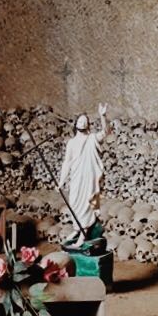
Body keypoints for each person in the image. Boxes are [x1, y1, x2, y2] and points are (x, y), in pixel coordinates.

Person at [58, 104, 109, 247]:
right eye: (80, 121)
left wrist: (102, 116)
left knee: (86, 203)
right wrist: (61, 181)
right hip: (76, 177)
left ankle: (83, 234)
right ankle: (78, 228)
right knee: (74, 203)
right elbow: (67, 163)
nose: (82, 123)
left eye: (85, 121)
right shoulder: (71, 143)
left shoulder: (92, 138)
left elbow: (105, 132)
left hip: (88, 177)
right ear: (76, 124)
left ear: (87, 125)